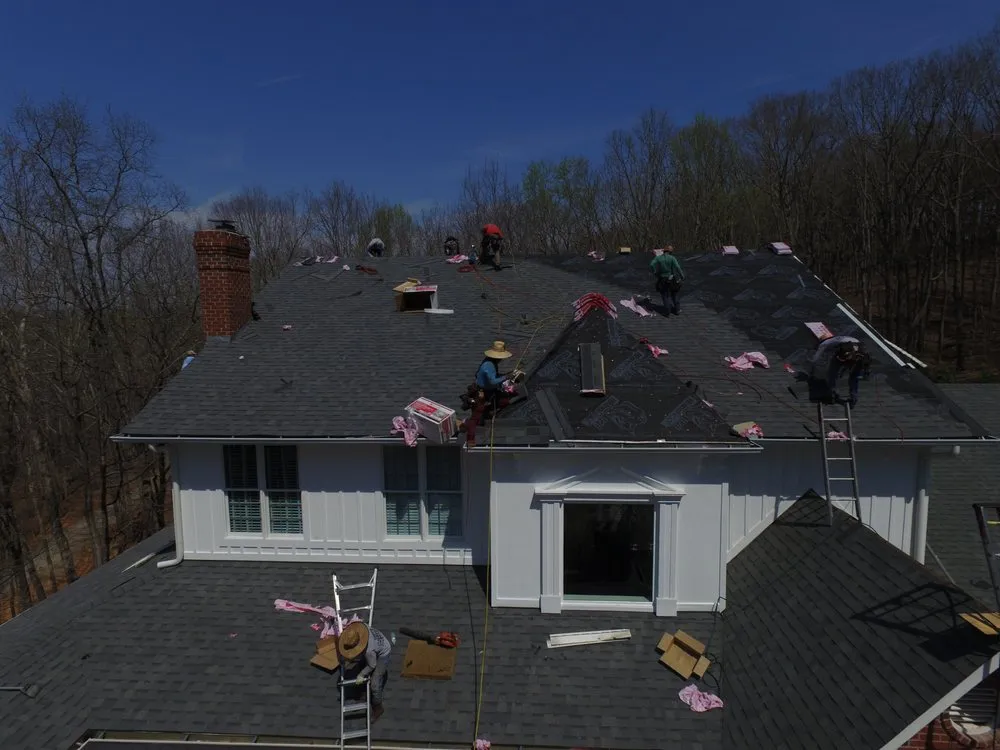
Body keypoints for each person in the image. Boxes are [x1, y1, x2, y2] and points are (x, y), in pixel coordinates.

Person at [461, 341, 524, 447]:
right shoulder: (488, 366)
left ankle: (488, 416)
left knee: (505, 400)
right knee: (475, 418)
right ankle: (470, 440)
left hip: (489, 392)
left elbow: (494, 377)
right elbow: (492, 381)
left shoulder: (491, 363)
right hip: (480, 394)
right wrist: (506, 377)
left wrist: (507, 374)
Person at [337, 621, 392, 722]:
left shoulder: (369, 651)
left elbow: (372, 665)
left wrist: (361, 675)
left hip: (383, 654)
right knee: (360, 665)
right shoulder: (360, 630)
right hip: (373, 648)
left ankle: (378, 708)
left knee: (375, 684)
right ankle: (363, 693)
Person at [809, 335, 871, 407]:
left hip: (847, 352)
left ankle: (833, 393)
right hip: (860, 354)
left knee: (832, 373)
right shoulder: (842, 338)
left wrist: (812, 364)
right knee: (854, 377)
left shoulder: (825, 342)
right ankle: (853, 398)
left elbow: (817, 357)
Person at [649, 245, 685, 315]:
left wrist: (655, 272)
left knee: (665, 295)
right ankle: (677, 310)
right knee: (674, 294)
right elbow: (678, 267)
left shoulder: (658, 258)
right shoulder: (672, 258)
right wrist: (682, 276)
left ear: (664, 251)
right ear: (670, 252)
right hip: (672, 279)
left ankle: (667, 311)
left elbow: (651, 264)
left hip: (662, 279)